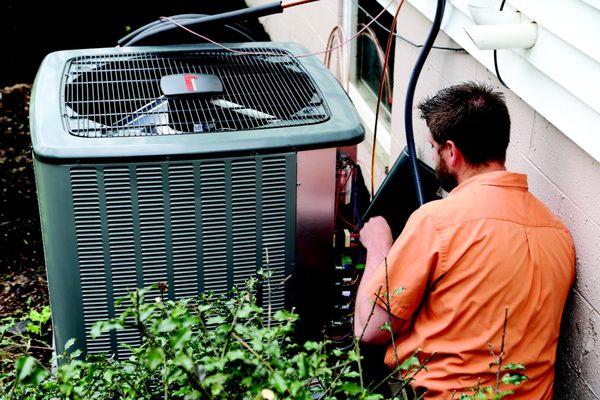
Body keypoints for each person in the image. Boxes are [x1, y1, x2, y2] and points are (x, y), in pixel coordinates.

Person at [354, 82, 575, 399]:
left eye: (435, 148)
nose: (434, 156)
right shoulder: (558, 234)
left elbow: (370, 329)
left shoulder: (438, 221)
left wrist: (379, 247)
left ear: (452, 151)